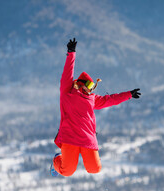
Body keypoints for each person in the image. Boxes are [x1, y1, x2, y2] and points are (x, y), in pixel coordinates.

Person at [51, 38, 141, 177]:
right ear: (80, 84)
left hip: (87, 138)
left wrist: (128, 94)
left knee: (95, 169)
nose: (91, 90)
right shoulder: (67, 91)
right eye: (89, 86)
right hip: (70, 137)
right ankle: (57, 159)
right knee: (67, 171)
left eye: (93, 87)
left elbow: (110, 99)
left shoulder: (92, 99)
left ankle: (65, 158)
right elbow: (67, 73)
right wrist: (71, 53)